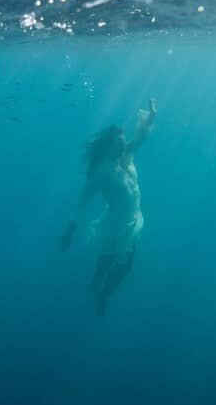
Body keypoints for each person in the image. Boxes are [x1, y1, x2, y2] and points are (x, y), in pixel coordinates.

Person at [58, 98, 157, 315]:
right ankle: (99, 291)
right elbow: (81, 202)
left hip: (132, 217)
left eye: (123, 140)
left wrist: (151, 116)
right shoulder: (100, 173)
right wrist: (69, 231)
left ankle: (99, 290)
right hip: (117, 221)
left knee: (115, 258)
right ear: (108, 145)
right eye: (119, 141)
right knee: (118, 260)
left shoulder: (125, 156)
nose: (123, 143)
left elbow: (139, 139)